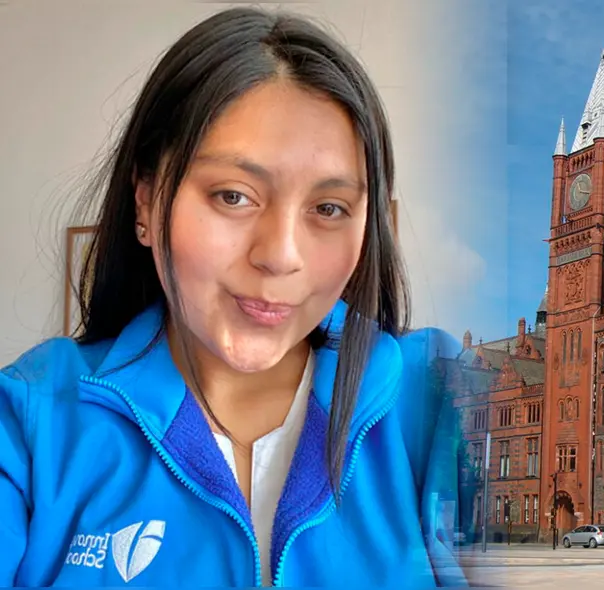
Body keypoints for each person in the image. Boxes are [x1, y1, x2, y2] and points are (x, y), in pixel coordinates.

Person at [0, 7, 474, 587]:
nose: (280, 255)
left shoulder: (437, 400)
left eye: (328, 209)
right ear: (146, 201)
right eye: (233, 196)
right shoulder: (30, 422)